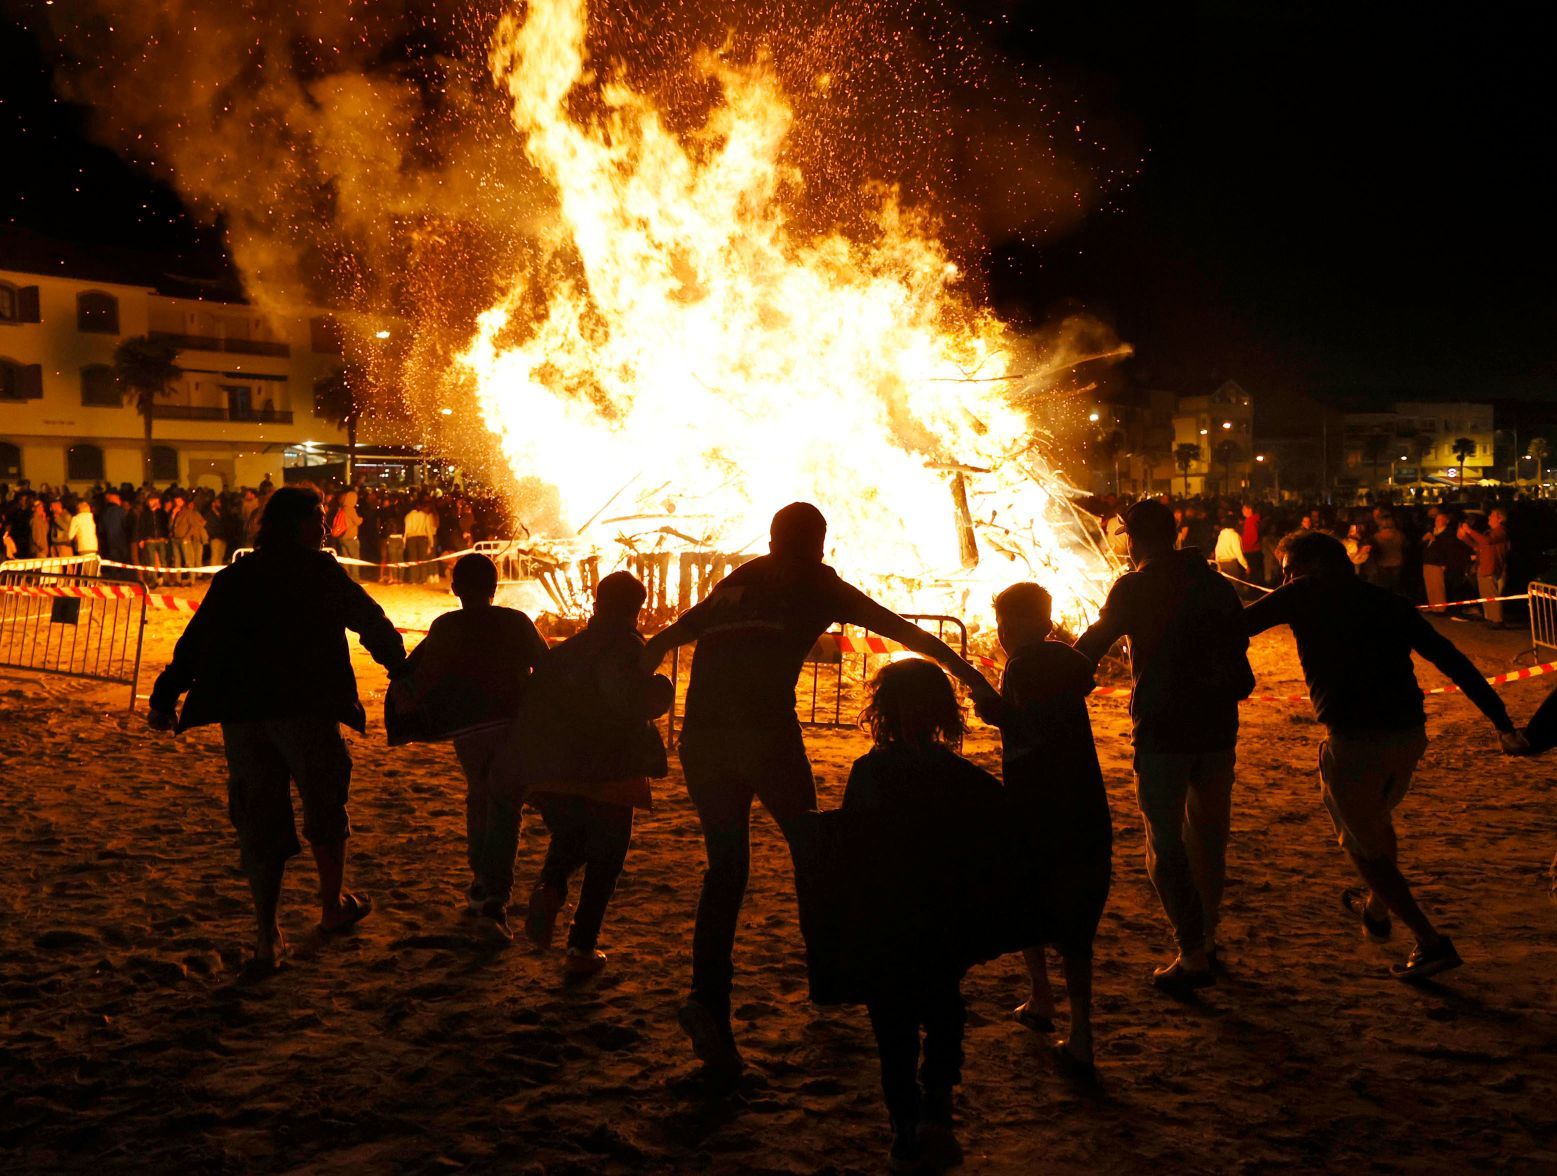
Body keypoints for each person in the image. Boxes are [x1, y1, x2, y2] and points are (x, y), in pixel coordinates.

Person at [640, 502, 999, 1074]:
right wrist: (976, 678)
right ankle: (832, 975)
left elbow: (668, 637)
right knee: (814, 850)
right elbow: (905, 632)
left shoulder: (740, 579)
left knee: (726, 870)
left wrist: (633, 679)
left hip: (703, 739)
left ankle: (707, 1000)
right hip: (765, 739)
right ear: (817, 541)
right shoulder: (817, 583)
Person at [1243, 531, 1529, 980]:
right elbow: (1451, 658)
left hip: (1355, 742)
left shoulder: (1303, 593)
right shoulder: (1386, 600)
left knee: (1362, 850)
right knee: (1377, 823)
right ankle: (1377, 907)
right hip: (1409, 736)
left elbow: (1234, 627)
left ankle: (1428, 941)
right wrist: (1502, 721)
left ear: (1309, 567)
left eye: (1287, 572)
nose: (1283, 580)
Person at [146, 486, 406, 970]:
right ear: (295, 523)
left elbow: (196, 641)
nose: (325, 526)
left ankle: (268, 934)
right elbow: (370, 621)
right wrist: (403, 673)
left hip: (244, 714)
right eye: (318, 516)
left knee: (259, 819)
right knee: (325, 805)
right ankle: (331, 908)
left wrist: (166, 696)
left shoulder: (236, 577)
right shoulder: (319, 572)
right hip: (303, 708)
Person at [1075, 499, 1253, 994]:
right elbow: (1239, 646)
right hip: (1218, 729)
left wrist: (1053, 672)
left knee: (1164, 844)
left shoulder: (1136, 585)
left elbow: (1095, 640)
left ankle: (1191, 950)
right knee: (1209, 838)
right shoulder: (1214, 583)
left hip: (1164, 729)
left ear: (1131, 538)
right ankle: (1208, 939)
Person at [842, 659, 1006, 1172]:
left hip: (901, 920)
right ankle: (925, 1117)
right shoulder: (959, 777)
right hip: (930, 920)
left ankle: (915, 1122)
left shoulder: (872, 772)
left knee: (911, 1024)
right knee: (931, 1018)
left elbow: (847, 846)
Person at [981, 582, 1110, 1075]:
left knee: (1028, 899)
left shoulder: (1023, 663)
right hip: (1083, 803)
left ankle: (1044, 999)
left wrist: (996, 713)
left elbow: (1029, 730)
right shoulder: (1066, 660)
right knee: (1076, 921)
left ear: (1009, 625)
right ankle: (1076, 1026)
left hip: (1037, 803)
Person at [520, 571, 672, 975]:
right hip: (612, 769)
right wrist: (662, 689)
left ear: (596, 603)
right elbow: (631, 701)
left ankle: (550, 887)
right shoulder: (628, 649)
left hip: (555, 769)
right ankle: (581, 948)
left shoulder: (564, 651)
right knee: (607, 858)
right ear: (635, 610)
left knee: (569, 837)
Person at [391, 552, 548, 938]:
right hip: (512, 723)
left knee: (479, 795)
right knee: (507, 805)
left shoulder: (445, 626)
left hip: (468, 730)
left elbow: (424, 676)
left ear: (455, 587)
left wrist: (403, 703)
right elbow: (547, 667)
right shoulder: (516, 621)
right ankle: (496, 896)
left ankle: (481, 882)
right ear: (495, 588)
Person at [1214, 513, 1249, 584]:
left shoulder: (1221, 534)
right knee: (1234, 586)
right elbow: (1238, 553)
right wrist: (1246, 566)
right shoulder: (1234, 536)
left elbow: (1217, 549)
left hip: (1220, 563)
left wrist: (1217, 562)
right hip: (1231, 564)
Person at [1240, 503, 1263, 583]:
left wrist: (1246, 547)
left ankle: (1253, 591)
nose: (1242, 511)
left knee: (1253, 574)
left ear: (1249, 510)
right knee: (1256, 573)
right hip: (1255, 550)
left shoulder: (1250, 521)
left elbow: (1253, 536)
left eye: (1244, 509)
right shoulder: (1253, 520)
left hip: (1251, 551)